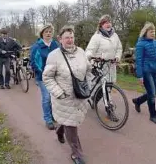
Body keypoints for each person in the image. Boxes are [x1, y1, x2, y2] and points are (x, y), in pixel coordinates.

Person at [43, 25, 91, 164]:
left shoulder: (81, 52)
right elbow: (47, 77)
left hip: (80, 95)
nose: (70, 40)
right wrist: (59, 93)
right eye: (66, 38)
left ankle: (59, 131)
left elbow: (88, 70)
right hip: (64, 97)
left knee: (70, 120)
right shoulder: (54, 55)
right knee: (71, 124)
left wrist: (88, 85)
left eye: (71, 37)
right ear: (60, 39)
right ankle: (77, 154)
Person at [85, 14, 122, 122]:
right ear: (101, 25)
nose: (108, 24)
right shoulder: (97, 36)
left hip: (110, 65)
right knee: (102, 87)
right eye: (105, 22)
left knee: (108, 87)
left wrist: (117, 57)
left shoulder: (115, 36)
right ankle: (109, 110)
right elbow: (89, 50)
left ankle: (93, 99)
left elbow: (119, 48)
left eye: (109, 22)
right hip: (99, 65)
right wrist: (89, 56)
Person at [132, 22, 156, 125]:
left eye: (154, 31)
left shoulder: (155, 43)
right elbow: (139, 61)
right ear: (145, 32)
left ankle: (138, 101)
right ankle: (153, 115)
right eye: (151, 31)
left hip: (154, 71)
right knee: (152, 94)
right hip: (146, 72)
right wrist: (140, 76)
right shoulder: (140, 44)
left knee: (154, 93)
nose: (153, 33)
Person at [30, 24, 59, 130]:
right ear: (42, 33)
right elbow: (33, 62)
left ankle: (52, 115)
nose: (48, 33)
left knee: (54, 97)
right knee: (46, 98)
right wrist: (43, 73)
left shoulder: (55, 45)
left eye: (50, 32)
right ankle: (48, 120)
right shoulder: (36, 46)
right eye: (46, 32)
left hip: (56, 76)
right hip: (43, 76)